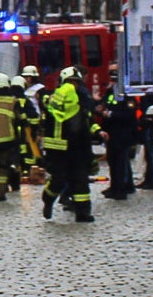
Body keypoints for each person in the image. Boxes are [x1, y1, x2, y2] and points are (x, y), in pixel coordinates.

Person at [41, 66, 97, 222]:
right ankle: (48, 199)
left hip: (78, 148)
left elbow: (88, 121)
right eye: (70, 82)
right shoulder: (53, 100)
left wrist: (98, 132)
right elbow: (46, 105)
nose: (73, 86)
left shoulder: (82, 102)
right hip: (58, 150)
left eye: (76, 82)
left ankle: (83, 213)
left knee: (81, 181)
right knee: (58, 180)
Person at [98, 92, 145, 200]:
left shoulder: (127, 96)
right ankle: (114, 187)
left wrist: (111, 114)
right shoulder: (110, 93)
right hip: (111, 133)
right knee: (112, 161)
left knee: (120, 162)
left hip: (123, 134)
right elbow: (104, 105)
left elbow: (129, 115)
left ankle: (121, 189)